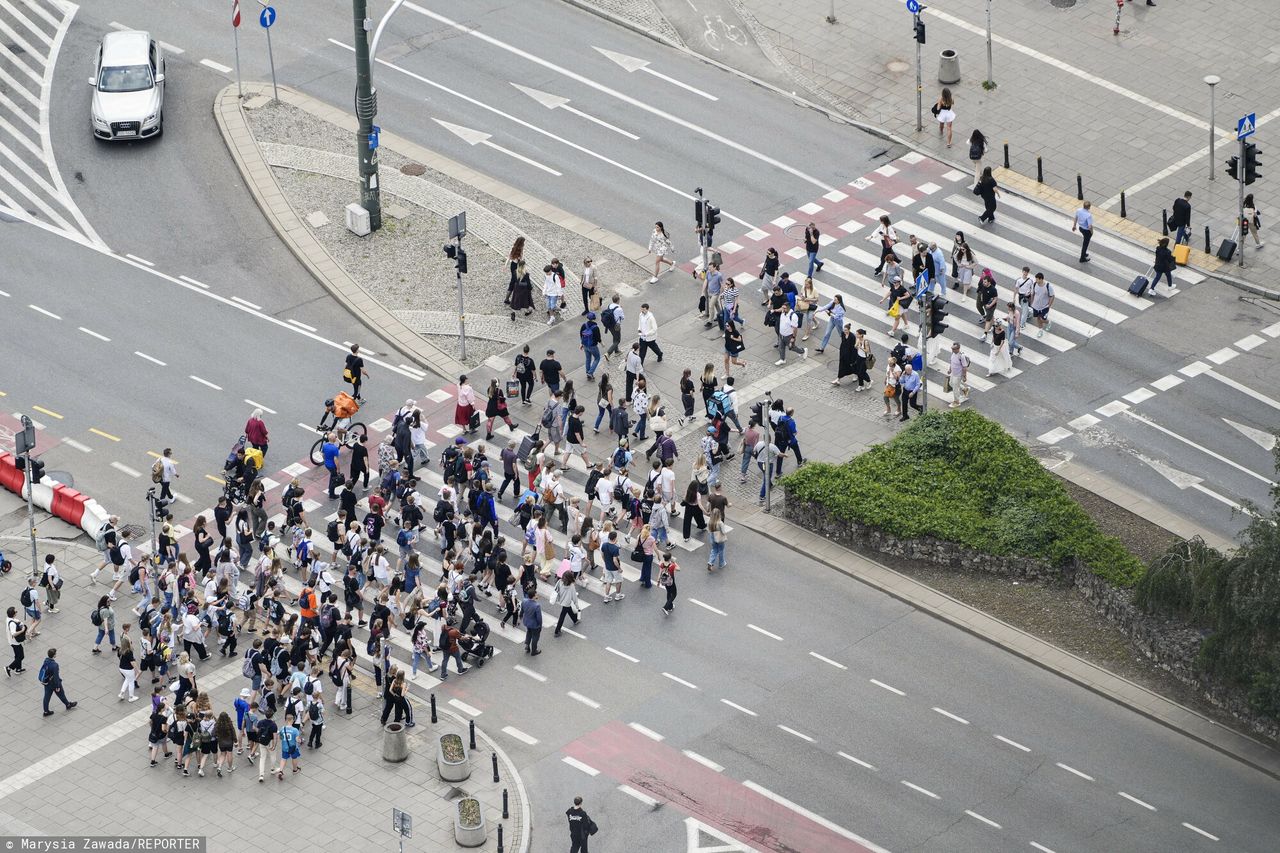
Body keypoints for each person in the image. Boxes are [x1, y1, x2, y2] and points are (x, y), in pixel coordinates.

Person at [37, 648, 76, 716]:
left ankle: (46, 711)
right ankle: (68, 704)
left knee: (46, 697)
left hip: (47, 682)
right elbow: (56, 677)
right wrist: (57, 686)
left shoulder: (46, 660)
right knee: (61, 694)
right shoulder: (55, 665)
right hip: (54, 683)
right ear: (54, 655)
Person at [1028, 273, 1055, 337]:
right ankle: (1040, 330)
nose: (1036, 280)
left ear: (1041, 279)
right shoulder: (1035, 284)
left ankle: (1048, 322)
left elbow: (1052, 296)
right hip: (1036, 306)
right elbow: (1033, 294)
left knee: (1043, 319)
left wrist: (1049, 305)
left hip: (1044, 307)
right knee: (1038, 318)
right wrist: (1031, 302)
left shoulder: (1048, 286)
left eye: (1037, 279)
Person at [580, 311, 602, 381]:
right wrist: (602, 343)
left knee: (588, 359)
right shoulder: (595, 327)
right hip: (593, 346)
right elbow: (598, 338)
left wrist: (581, 343)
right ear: (594, 318)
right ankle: (590, 372)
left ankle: (587, 372)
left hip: (585, 345)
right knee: (597, 358)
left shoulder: (584, 325)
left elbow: (581, 334)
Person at [520, 588, 543, 656]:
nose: (537, 595)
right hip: (534, 624)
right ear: (534, 596)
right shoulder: (537, 606)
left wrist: (520, 616)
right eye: (536, 594)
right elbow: (539, 617)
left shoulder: (524, 601)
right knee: (535, 637)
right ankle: (534, 651)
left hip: (527, 622)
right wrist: (540, 624)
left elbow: (522, 610)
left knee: (529, 632)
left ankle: (527, 645)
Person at [947, 342, 970, 408]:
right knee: (951, 383)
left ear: (958, 349)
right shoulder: (953, 353)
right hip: (953, 373)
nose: (953, 350)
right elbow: (951, 362)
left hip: (958, 375)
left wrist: (964, 377)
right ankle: (965, 389)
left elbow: (964, 367)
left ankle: (956, 402)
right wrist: (950, 369)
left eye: (954, 349)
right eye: (952, 348)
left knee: (955, 388)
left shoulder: (961, 356)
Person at [6, 606, 26, 676]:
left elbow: (16, 621)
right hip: (15, 642)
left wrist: (20, 623)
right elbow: (14, 634)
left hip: (11, 641)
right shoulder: (12, 624)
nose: (17, 612)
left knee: (18, 655)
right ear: (13, 614)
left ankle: (18, 669)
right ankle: (9, 668)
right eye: (16, 611)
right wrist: (22, 630)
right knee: (21, 656)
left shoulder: (9, 619)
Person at [658, 550, 679, 615]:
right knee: (674, 594)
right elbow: (679, 569)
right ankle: (665, 607)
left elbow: (660, 572)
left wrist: (658, 581)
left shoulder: (662, 565)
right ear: (669, 558)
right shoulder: (672, 566)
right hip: (671, 582)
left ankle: (670, 607)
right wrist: (674, 562)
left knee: (669, 593)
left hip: (665, 581)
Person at [505, 236, 524, 304]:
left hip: (512, 265)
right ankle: (515, 299)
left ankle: (508, 299)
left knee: (513, 282)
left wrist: (505, 266)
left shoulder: (513, 248)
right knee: (515, 283)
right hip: (517, 266)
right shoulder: (520, 249)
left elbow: (509, 257)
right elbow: (521, 260)